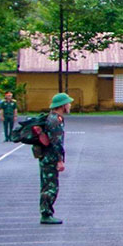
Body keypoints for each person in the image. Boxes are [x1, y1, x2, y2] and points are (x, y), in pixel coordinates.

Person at [36, 93, 71, 225]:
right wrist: (59, 160)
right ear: (62, 106)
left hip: (46, 157)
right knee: (50, 187)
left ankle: (47, 212)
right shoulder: (55, 120)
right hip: (50, 158)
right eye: (68, 103)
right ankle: (46, 214)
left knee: (47, 185)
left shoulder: (52, 118)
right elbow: (56, 142)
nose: (69, 105)